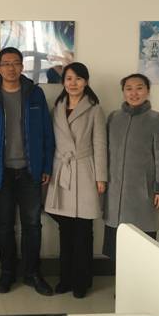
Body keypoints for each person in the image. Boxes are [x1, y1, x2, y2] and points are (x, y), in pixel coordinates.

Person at [0, 47, 55, 296]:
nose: (11, 68)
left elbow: (47, 132)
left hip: (31, 171)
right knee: (4, 226)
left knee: (33, 225)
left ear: (22, 66)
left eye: (16, 63)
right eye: (6, 63)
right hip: (1, 173)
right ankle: (7, 273)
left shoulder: (35, 93)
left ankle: (32, 273)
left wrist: (46, 166)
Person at [44, 62, 107, 298]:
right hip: (62, 170)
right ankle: (65, 278)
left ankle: (82, 281)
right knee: (65, 229)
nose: (73, 83)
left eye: (78, 79)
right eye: (69, 78)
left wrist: (101, 177)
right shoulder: (57, 107)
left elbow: (100, 145)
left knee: (83, 230)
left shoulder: (94, 109)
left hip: (85, 171)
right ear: (63, 82)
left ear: (86, 82)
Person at [103, 73, 159, 259]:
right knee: (117, 249)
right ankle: (119, 278)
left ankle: (141, 278)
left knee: (142, 249)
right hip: (114, 194)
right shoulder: (114, 117)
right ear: (123, 92)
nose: (134, 93)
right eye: (129, 89)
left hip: (144, 193)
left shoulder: (157, 119)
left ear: (147, 91)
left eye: (139, 88)